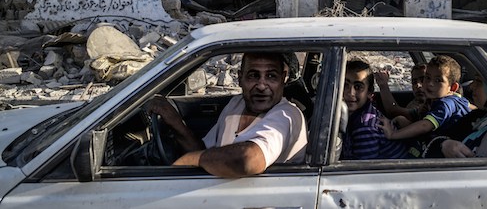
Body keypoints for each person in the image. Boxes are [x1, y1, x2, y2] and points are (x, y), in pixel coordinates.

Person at [146, 52, 307, 178]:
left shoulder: (287, 115)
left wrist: (192, 159)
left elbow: (247, 159)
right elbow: (208, 153)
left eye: (271, 76)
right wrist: (175, 123)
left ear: (283, 79)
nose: (261, 85)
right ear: (239, 78)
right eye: (253, 75)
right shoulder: (237, 104)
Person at [379, 55, 472, 158]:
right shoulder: (456, 100)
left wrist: (393, 134)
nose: (430, 84)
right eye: (427, 78)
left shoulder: (446, 104)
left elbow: (425, 126)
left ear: (453, 87)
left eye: (438, 80)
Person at [341, 59, 408, 159]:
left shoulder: (365, 127)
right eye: (345, 85)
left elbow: (360, 170)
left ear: (370, 92)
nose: (350, 93)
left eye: (358, 87)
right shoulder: (359, 115)